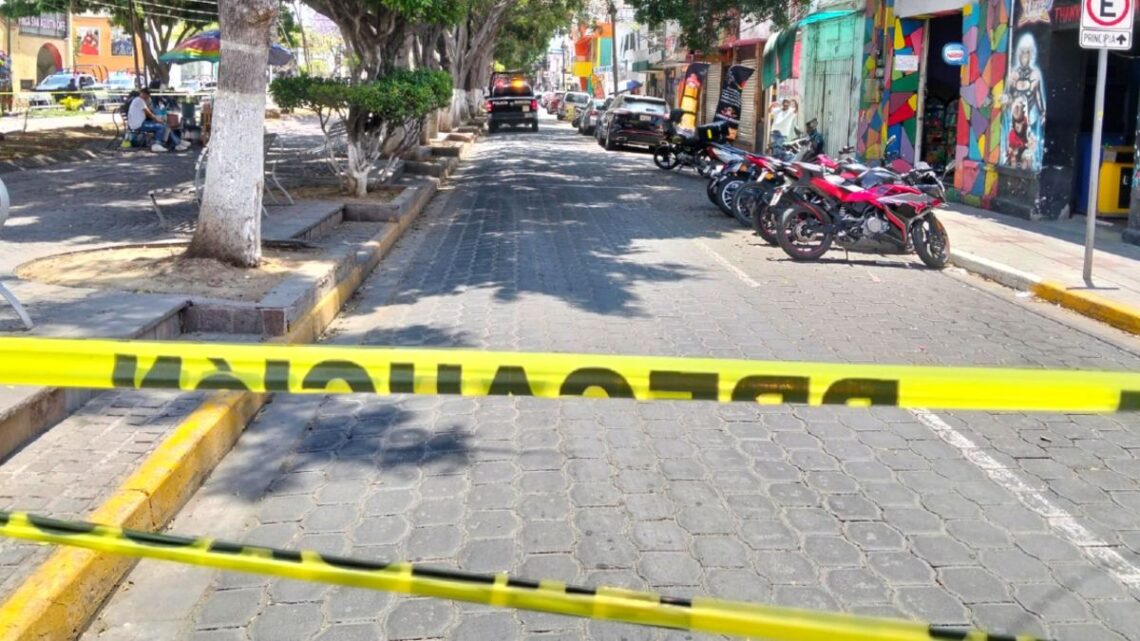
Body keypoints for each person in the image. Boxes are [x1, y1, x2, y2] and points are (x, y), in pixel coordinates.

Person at [127, 87, 189, 152]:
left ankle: (177, 142)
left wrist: (156, 119)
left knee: (165, 126)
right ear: (143, 94)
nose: (148, 97)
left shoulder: (137, 100)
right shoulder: (140, 101)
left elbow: (147, 112)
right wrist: (157, 119)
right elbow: (149, 113)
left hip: (137, 123)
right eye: (147, 95)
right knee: (161, 127)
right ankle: (158, 144)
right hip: (138, 125)